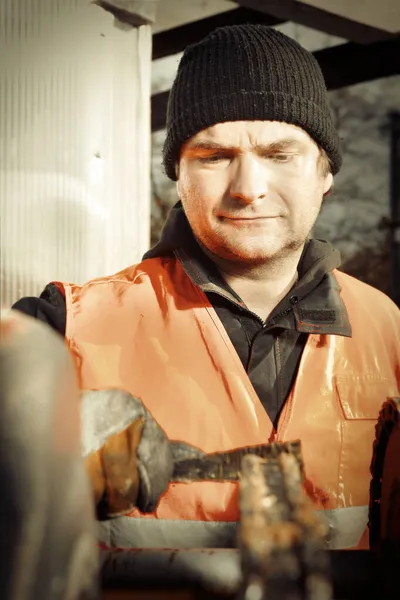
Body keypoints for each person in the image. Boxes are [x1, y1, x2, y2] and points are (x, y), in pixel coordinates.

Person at [12, 24, 400, 551]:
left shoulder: (390, 331)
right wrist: (30, 437)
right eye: (214, 156)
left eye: (280, 154)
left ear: (324, 172)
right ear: (179, 174)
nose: (248, 189)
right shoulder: (65, 327)